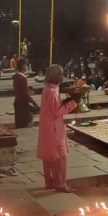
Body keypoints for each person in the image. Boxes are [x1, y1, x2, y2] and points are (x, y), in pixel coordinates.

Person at [36, 64, 77, 193]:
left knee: (49, 156)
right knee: (59, 157)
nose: (62, 77)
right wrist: (73, 103)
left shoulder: (49, 88)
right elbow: (56, 111)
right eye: (60, 74)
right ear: (54, 76)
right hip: (53, 128)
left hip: (48, 127)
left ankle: (50, 182)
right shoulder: (51, 91)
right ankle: (60, 184)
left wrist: (65, 98)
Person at [12, 58, 39, 129]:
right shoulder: (22, 78)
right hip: (23, 104)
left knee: (19, 125)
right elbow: (25, 95)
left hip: (17, 102)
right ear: (22, 66)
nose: (26, 67)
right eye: (26, 65)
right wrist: (34, 103)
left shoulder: (16, 76)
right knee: (23, 125)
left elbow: (20, 91)